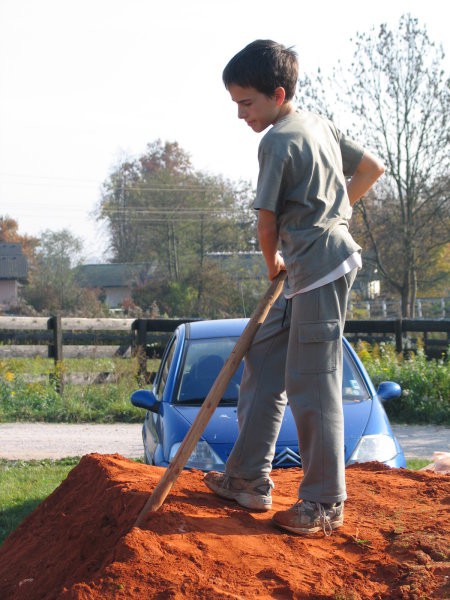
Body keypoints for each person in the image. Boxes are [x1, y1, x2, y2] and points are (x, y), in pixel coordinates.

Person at [203, 40, 385, 536]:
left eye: (247, 103)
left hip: (318, 270)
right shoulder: (318, 123)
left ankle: (325, 502)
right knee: (263, 360)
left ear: (277, 94)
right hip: (305, 269)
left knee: (312, 382)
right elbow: (371, 169)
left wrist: (272, 262)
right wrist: (338, 210)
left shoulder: (279, 140)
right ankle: (246, 477)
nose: (240, 115)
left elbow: (266, 223)